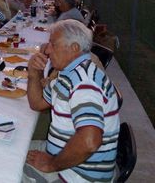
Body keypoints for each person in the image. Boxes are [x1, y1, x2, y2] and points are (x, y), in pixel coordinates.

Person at [24, 19, 120, 182]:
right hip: (66, 159)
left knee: (5, 168)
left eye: (53, 44)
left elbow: (90, 141)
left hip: (78, 175)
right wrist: (34, 73)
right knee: (10, 151)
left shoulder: (84, 83)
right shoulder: (67, 74)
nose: (47, 50)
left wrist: (51, 164)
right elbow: (37, 103)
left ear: (74, 48)